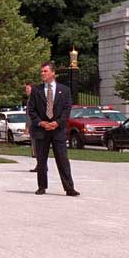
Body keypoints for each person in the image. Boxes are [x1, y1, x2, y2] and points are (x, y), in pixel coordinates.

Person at [27, 61, 80, 196]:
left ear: (53, 73)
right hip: (41, 131)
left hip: (58, 131)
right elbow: (31, 110)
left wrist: (57, 123)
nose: (42, 73)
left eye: (45, 71)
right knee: (41, 160)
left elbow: (67, 109)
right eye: (41, 71)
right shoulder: (36, 90)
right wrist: (41, 123)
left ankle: (69, 188)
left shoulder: (65, 90)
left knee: (62, 160)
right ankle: (42, 187)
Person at [24, 82, 38, 172]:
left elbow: (30, 115)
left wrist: (27, 127)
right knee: (36, 145)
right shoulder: (33, 99)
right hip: (35, 125)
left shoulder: (32, 100)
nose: (26, 91)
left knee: (36, 145)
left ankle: (41, 165)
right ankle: (40, 164)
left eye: (28, 89)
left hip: (34, 126)